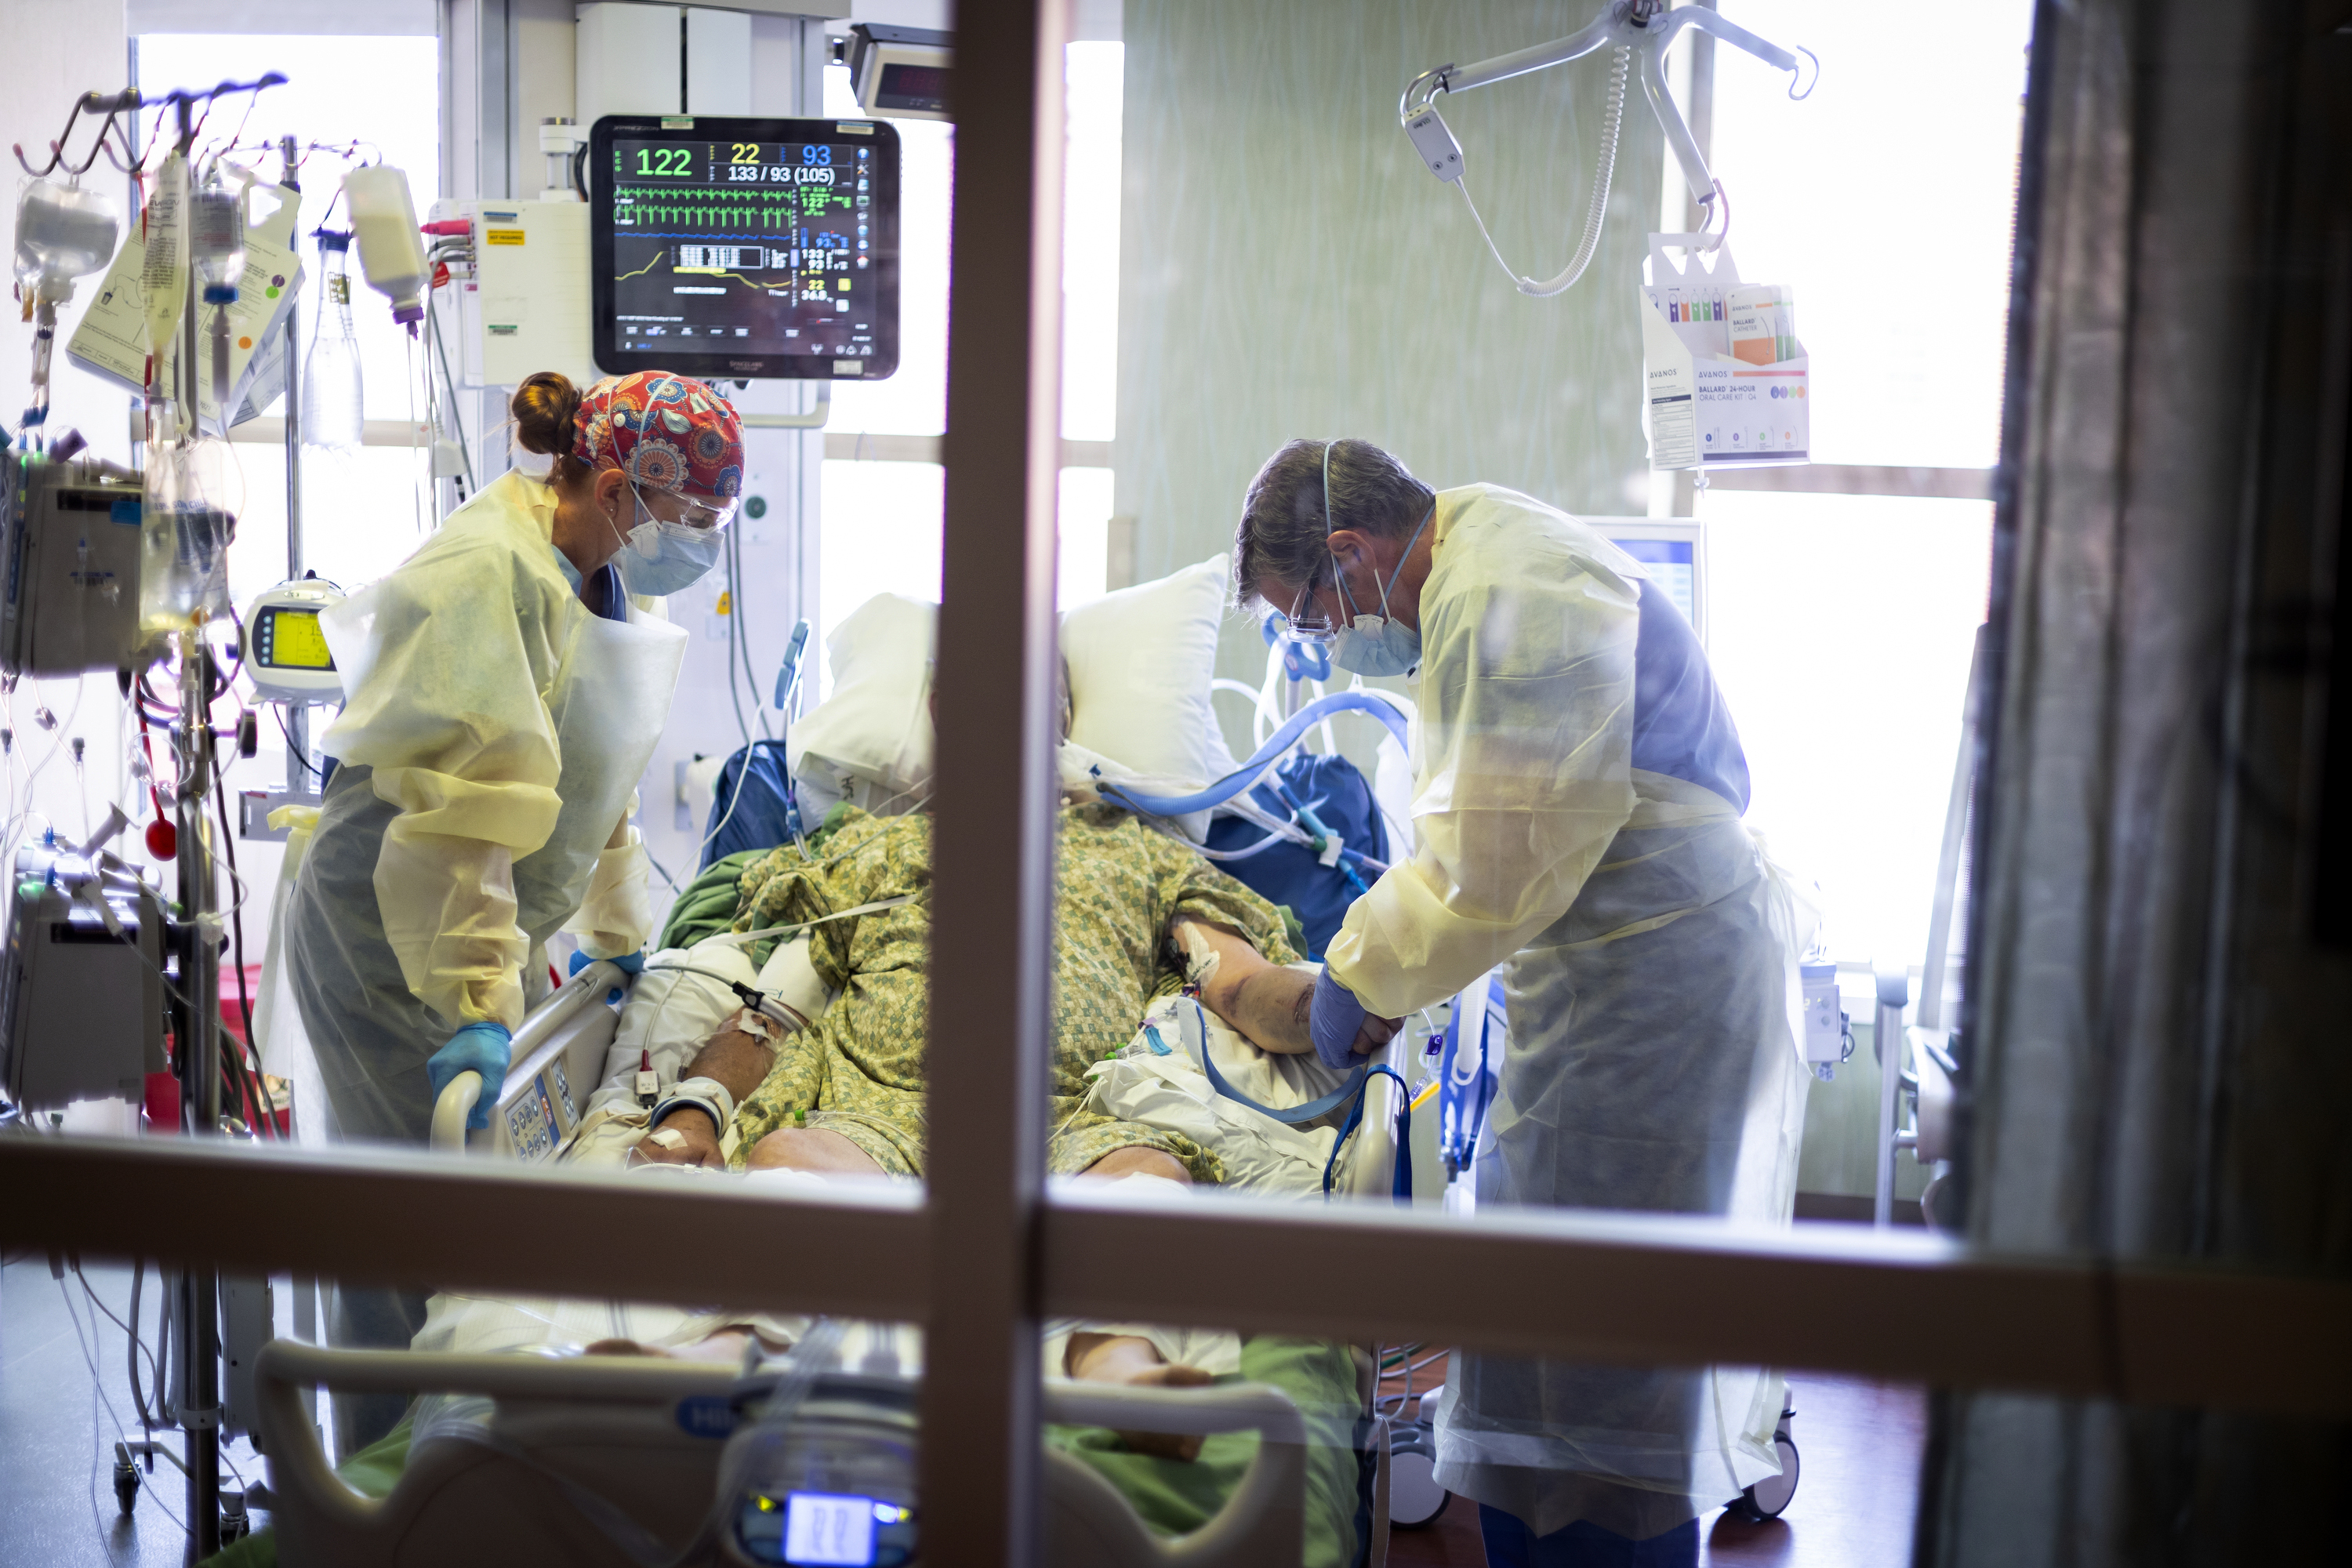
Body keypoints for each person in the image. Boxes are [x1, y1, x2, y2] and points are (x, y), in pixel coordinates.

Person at [1229, 438, 1811, 1566]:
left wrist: (1354, 977)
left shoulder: (1513, 594)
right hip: (1613, 972)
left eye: (1306, 617)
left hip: (1659, 991)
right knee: (1554, 1330)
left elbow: (1483, 866)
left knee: (1611, 1350)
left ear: (1351, 555)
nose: (1315, 649)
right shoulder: (1476, 558)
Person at [275, 368, 742, 1448]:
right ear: (619, 486)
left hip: (477, 921)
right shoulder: (489, 573)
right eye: (694, 519)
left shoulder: (601, 577)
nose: (703, 546)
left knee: (480, 1229)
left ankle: (472, 1457)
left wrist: (622, 946)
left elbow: (597, 788)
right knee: (411, 1245)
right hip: (391, 928)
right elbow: (457, 828)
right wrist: (484, 1003)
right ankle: (389, 1497)